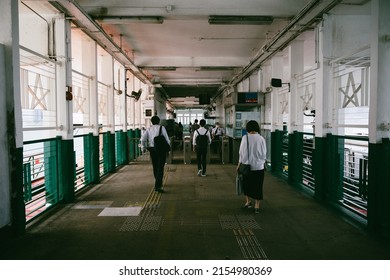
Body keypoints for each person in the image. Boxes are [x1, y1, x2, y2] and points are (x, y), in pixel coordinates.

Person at [236, 120, 267, 213]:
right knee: (258, 186)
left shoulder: (245, 138)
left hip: (247, 167)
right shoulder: (261, 139)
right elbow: (264, 154)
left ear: (248, 128)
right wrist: (261, 162)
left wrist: (238, 165)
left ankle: (248, 202)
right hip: (259, 167)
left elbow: (241, 153)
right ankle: (257, 206)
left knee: (247, 185)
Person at [141, 116, 170, 193]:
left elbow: (143, 139)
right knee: (161, 167)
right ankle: (158, 185)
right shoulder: (162, 128)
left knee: (155, 166)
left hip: (152, 150)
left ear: (151, 122)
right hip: (161, 150)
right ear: (159, 121)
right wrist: (168, 150)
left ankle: (157, 181)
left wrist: (144, 147)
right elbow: (167, 139)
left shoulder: (149, 129)